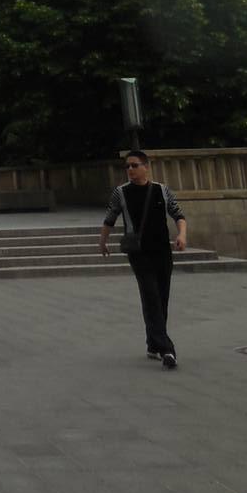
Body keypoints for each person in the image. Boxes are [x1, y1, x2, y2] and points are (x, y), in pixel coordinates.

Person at [100, 149, 187, 368]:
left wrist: (182, 235)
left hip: (162, 251)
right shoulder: (121, 192)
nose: (130, 169)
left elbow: (178, 214)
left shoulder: (162, 190)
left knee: (162, 297)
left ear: (146, 167)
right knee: (151, 296)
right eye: (127, 166)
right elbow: (110, 218)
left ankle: (153, 343)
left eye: (134, 165)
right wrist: (103, 241)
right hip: (139, 253)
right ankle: (167, 350)